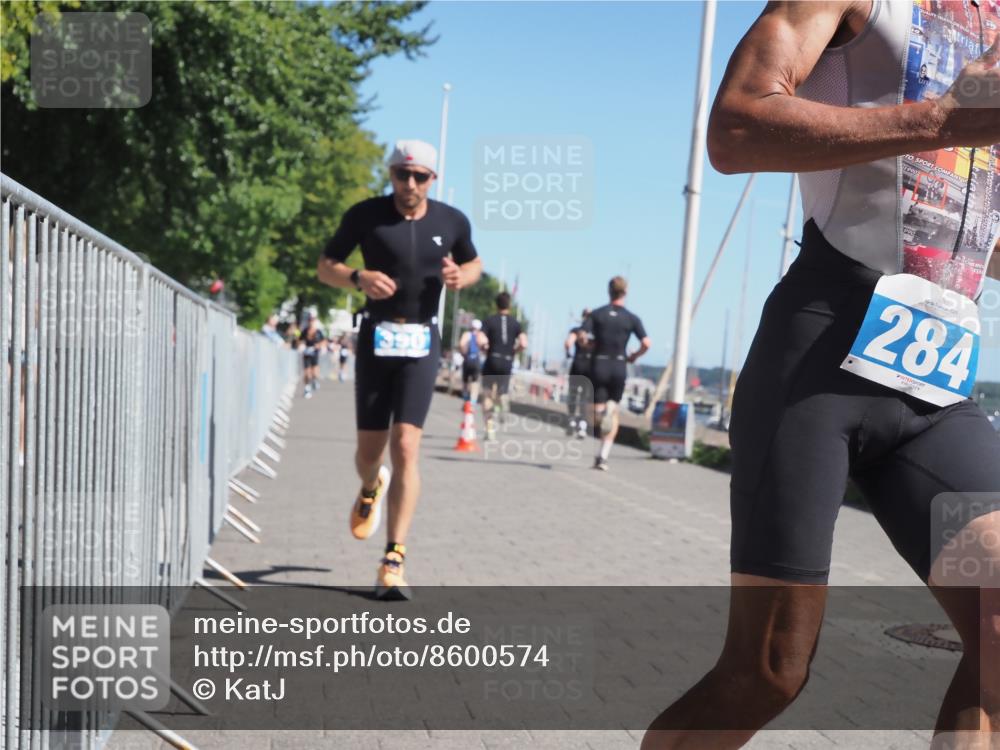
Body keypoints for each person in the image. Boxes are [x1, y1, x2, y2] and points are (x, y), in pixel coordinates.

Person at [641, 3, 1000, 748]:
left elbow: (972, 228)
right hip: (821, 354)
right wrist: (945, 120)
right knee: (769, 670)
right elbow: (736, 128)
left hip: (939, 380)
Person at [317, 139, 482, 599]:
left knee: (406, 443)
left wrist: (461, 278)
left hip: (421, 341)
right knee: (369, 453)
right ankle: (371, 485)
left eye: (419, 177)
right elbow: (324, 266)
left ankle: (393, 559)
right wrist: (356, 277)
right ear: (390, 174)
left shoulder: (451, 221)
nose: (409, 184)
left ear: (433, 179)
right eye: (401, 175)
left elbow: (474, 263)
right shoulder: (365, 215)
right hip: (376, 336)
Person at [580, 277, 650, 471]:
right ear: (625, 292)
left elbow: (582, 335)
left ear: (608, 291)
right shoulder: (632, 318)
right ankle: (603, 456)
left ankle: (603, 414)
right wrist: (635, 355)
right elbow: (646, 343)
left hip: (599, 364)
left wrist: (588, 344)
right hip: (619, 365)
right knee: (614, 409)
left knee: (594, 412)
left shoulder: (597, 314)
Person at [481, 292, 528, 441]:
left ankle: (490, 429)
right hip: (507, 360)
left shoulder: (489, 320)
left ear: (496, 304)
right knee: (501, 391)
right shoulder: (515, 323)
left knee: (488, 395)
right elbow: (524, 343)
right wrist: (515, 351)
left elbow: (480, 338)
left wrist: (485, 348)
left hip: (492, 358)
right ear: (509, 305)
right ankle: (502, 401)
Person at [563, 308, 592, 438]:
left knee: (573, 395)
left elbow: (568, 343)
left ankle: (571, 421)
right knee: (585, 398)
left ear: (582, 317)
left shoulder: (576, 330)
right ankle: (582, 427)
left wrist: (568, 354)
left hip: (577, 365)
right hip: (590, 368)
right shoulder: (596, 333)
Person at [458, 319, 487, 403]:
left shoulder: (467, 334)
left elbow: (461, 344)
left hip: (467, 359)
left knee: (465, 380)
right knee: (475, 382)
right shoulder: (481, 335)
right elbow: (485, 347)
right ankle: (473, 400)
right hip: (476, 360)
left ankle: (465, 398)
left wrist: (463, 353)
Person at [298, 315, 326, 399]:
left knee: (315, 373)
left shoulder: (318, 332)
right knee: (307, 372)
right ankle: (307, 389)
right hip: (307, 353)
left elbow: (324, 341)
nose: (311, 322)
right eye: (310, 321)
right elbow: (299, 340)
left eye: (313, 321)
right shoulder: (305, 331)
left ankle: (315, 380)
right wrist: (302, 345)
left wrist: (319, 345)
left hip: (315, 353)